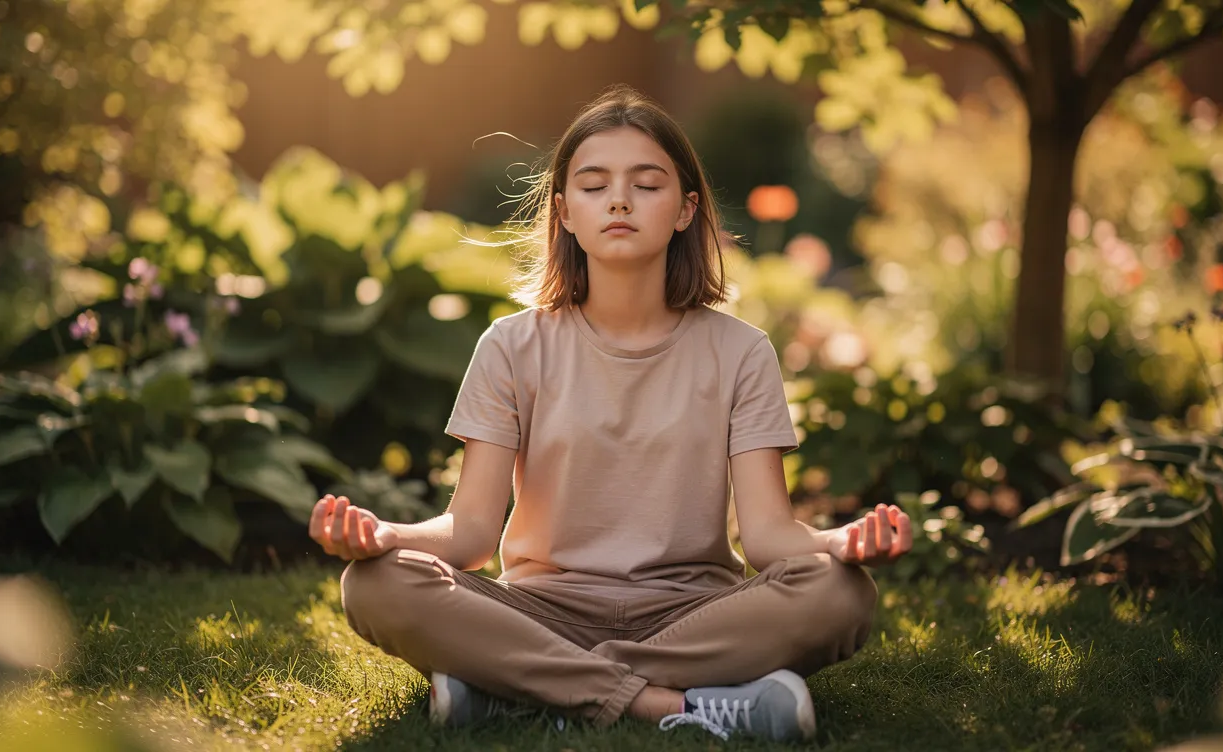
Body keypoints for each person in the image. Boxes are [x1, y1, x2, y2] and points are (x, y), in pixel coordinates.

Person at [308, 84, 913, 743]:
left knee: (841, 594)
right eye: (594, 185)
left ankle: (516, 688)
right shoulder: (511, 347)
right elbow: (473, 531)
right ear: (565, 213)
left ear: (686, 210)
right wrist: (385, 537)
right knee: (375, 584)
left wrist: (838, 545)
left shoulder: (742, 352)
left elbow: (767, 538)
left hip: (696, 619)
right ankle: (673, 705)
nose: (619, 200)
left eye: (646, 184)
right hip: (541, 615)